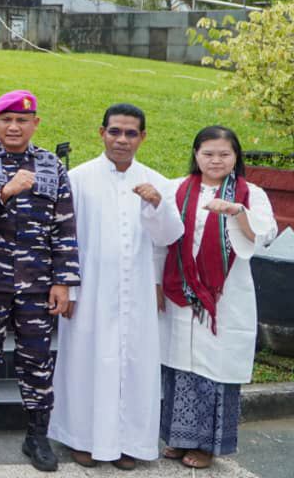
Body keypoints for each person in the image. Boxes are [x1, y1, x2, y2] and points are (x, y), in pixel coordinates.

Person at [50, 104, 184, 468]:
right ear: (102, 133)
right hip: (90, 289)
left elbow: (169, 237)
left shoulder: (157, 181)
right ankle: (81, 438)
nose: (121, 140)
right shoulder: (78, 179)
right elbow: (62, 238)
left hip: (137, 289)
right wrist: (67, 287)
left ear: (142, 137)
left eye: (130, 133)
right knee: (85, 361)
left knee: (133, 363)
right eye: (114, 131)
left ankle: (129, 443)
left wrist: (157, 205)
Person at [0, 90, 79, 472]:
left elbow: (64, 228)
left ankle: (37, 436)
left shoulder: (51, 166)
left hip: (37, 284)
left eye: (22, 120)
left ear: (35, 124)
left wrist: (63, 282)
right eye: (6, 120)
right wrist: (5, 192)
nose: (14, 127)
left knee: (37, 361)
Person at [157, 126, 277, 469]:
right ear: (196, 155)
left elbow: (264, 235)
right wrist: (157, 284)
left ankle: (207, 446)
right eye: (208, 153)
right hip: (181, 293)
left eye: (224, 154)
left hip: (225, 298)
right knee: (179, 362)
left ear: (236, 157)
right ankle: (178, 438)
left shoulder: (251, 193)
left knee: (214, 366)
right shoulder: (176, 188)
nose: (216, 160)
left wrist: (237, 212)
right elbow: (160, 237)